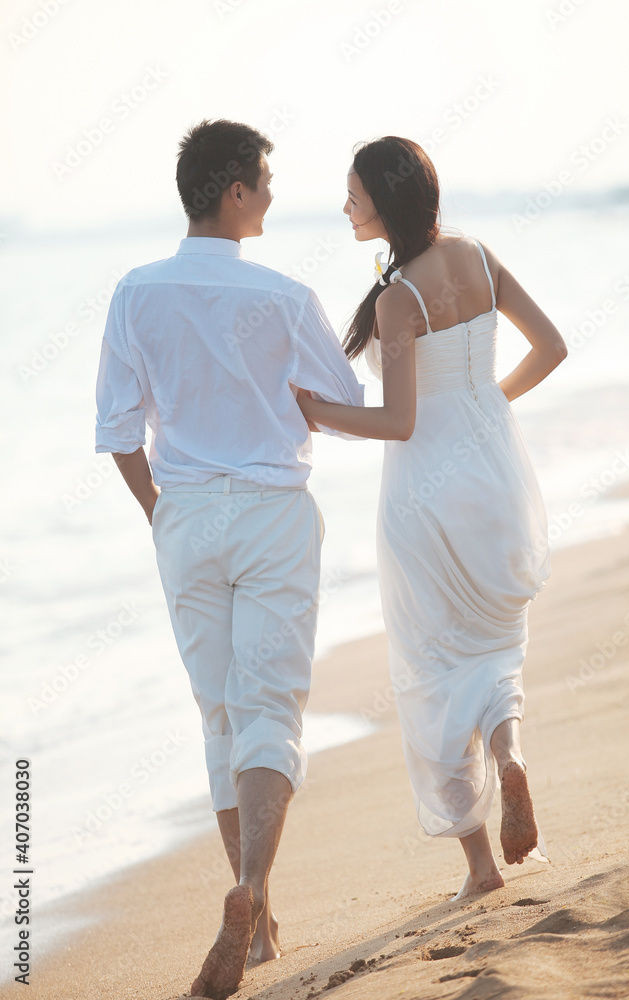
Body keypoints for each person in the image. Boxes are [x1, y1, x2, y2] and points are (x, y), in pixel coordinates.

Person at [94, 118, 364, 999]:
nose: (273, 197)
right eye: (265, 182)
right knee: (269, 712)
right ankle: (248, 889)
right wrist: (284, 400)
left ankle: (260, 927)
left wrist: (161, 513)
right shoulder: (284, 295)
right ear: (235, 192)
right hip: (274, 512)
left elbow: (117, 432)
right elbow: (343, 396)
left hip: (187, 518)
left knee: (218, 714)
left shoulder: (135, 292)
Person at [298, 136, 567, 899]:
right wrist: (485, 410)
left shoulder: (396, 299)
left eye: (354, 194)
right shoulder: (478, 257)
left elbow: (400, 423)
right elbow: (551, 346)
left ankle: (481, 869)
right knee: (495, 655)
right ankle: (510, 757)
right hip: (494, 477)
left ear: (386, 198)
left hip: (423, 500)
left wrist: (315, 410)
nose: (346, 207)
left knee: (430, 672)